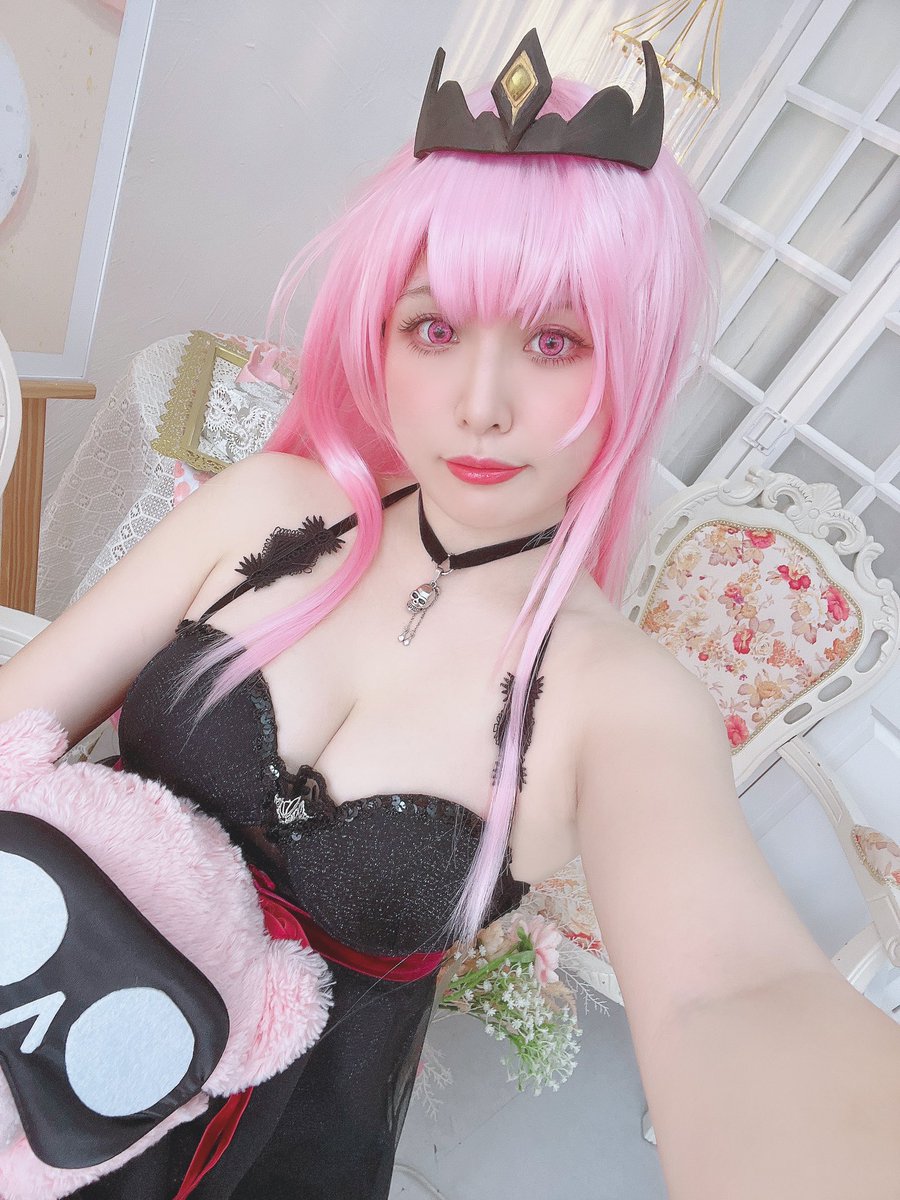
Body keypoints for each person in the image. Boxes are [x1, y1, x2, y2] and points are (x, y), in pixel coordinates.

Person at [2, 27, 898, 1200]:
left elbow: (733, 992)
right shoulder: (269, 509)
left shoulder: (617, 698)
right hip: (30, 1030)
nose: (481, 404)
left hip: (259, 1162)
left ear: (633, 361)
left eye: (555, 341)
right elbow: (14, 718)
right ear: (378, 334)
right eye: (435, 329)